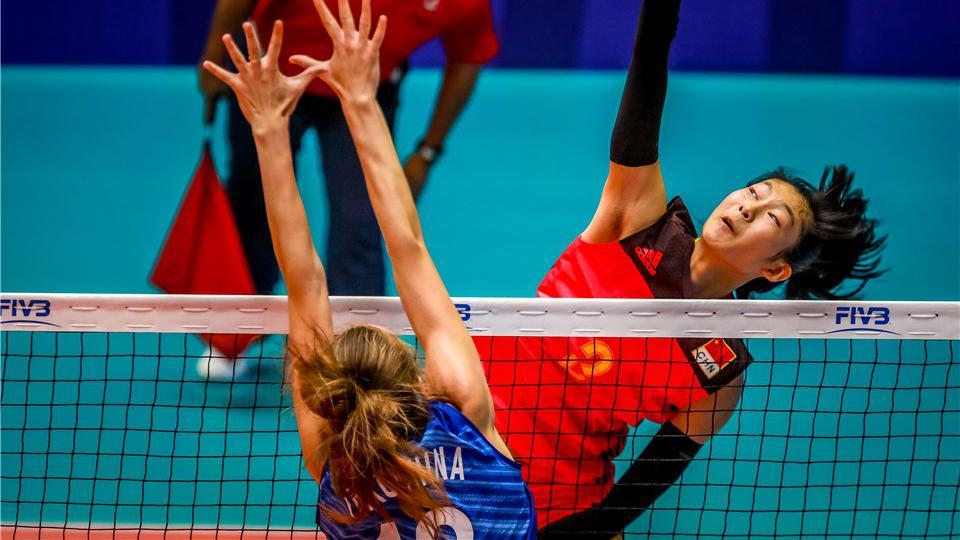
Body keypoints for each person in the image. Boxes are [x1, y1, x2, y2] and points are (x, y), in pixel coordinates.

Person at [473, 0, 885, 536]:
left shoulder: (720, 373)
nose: (746, 206)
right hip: (459, 444)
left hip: (555, 504)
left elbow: (639, 490)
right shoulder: (635, 223)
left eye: (771, 217)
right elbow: (646, 75)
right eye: (753, 192)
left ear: (777, 270)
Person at [202, 1, 535, 537]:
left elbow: (304, 281)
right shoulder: (462, 411)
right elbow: (406, 248)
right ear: (417, 376)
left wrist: (267, 130)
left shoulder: (332, 458)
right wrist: (361, 99)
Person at [197, 0, 497, 379]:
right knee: (251, 203)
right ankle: (236, 332)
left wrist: (427, 152)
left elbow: (467, 57)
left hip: (361, 87)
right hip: (270, 77)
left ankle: (355, 358)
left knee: (361, 220)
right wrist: (214, 58)